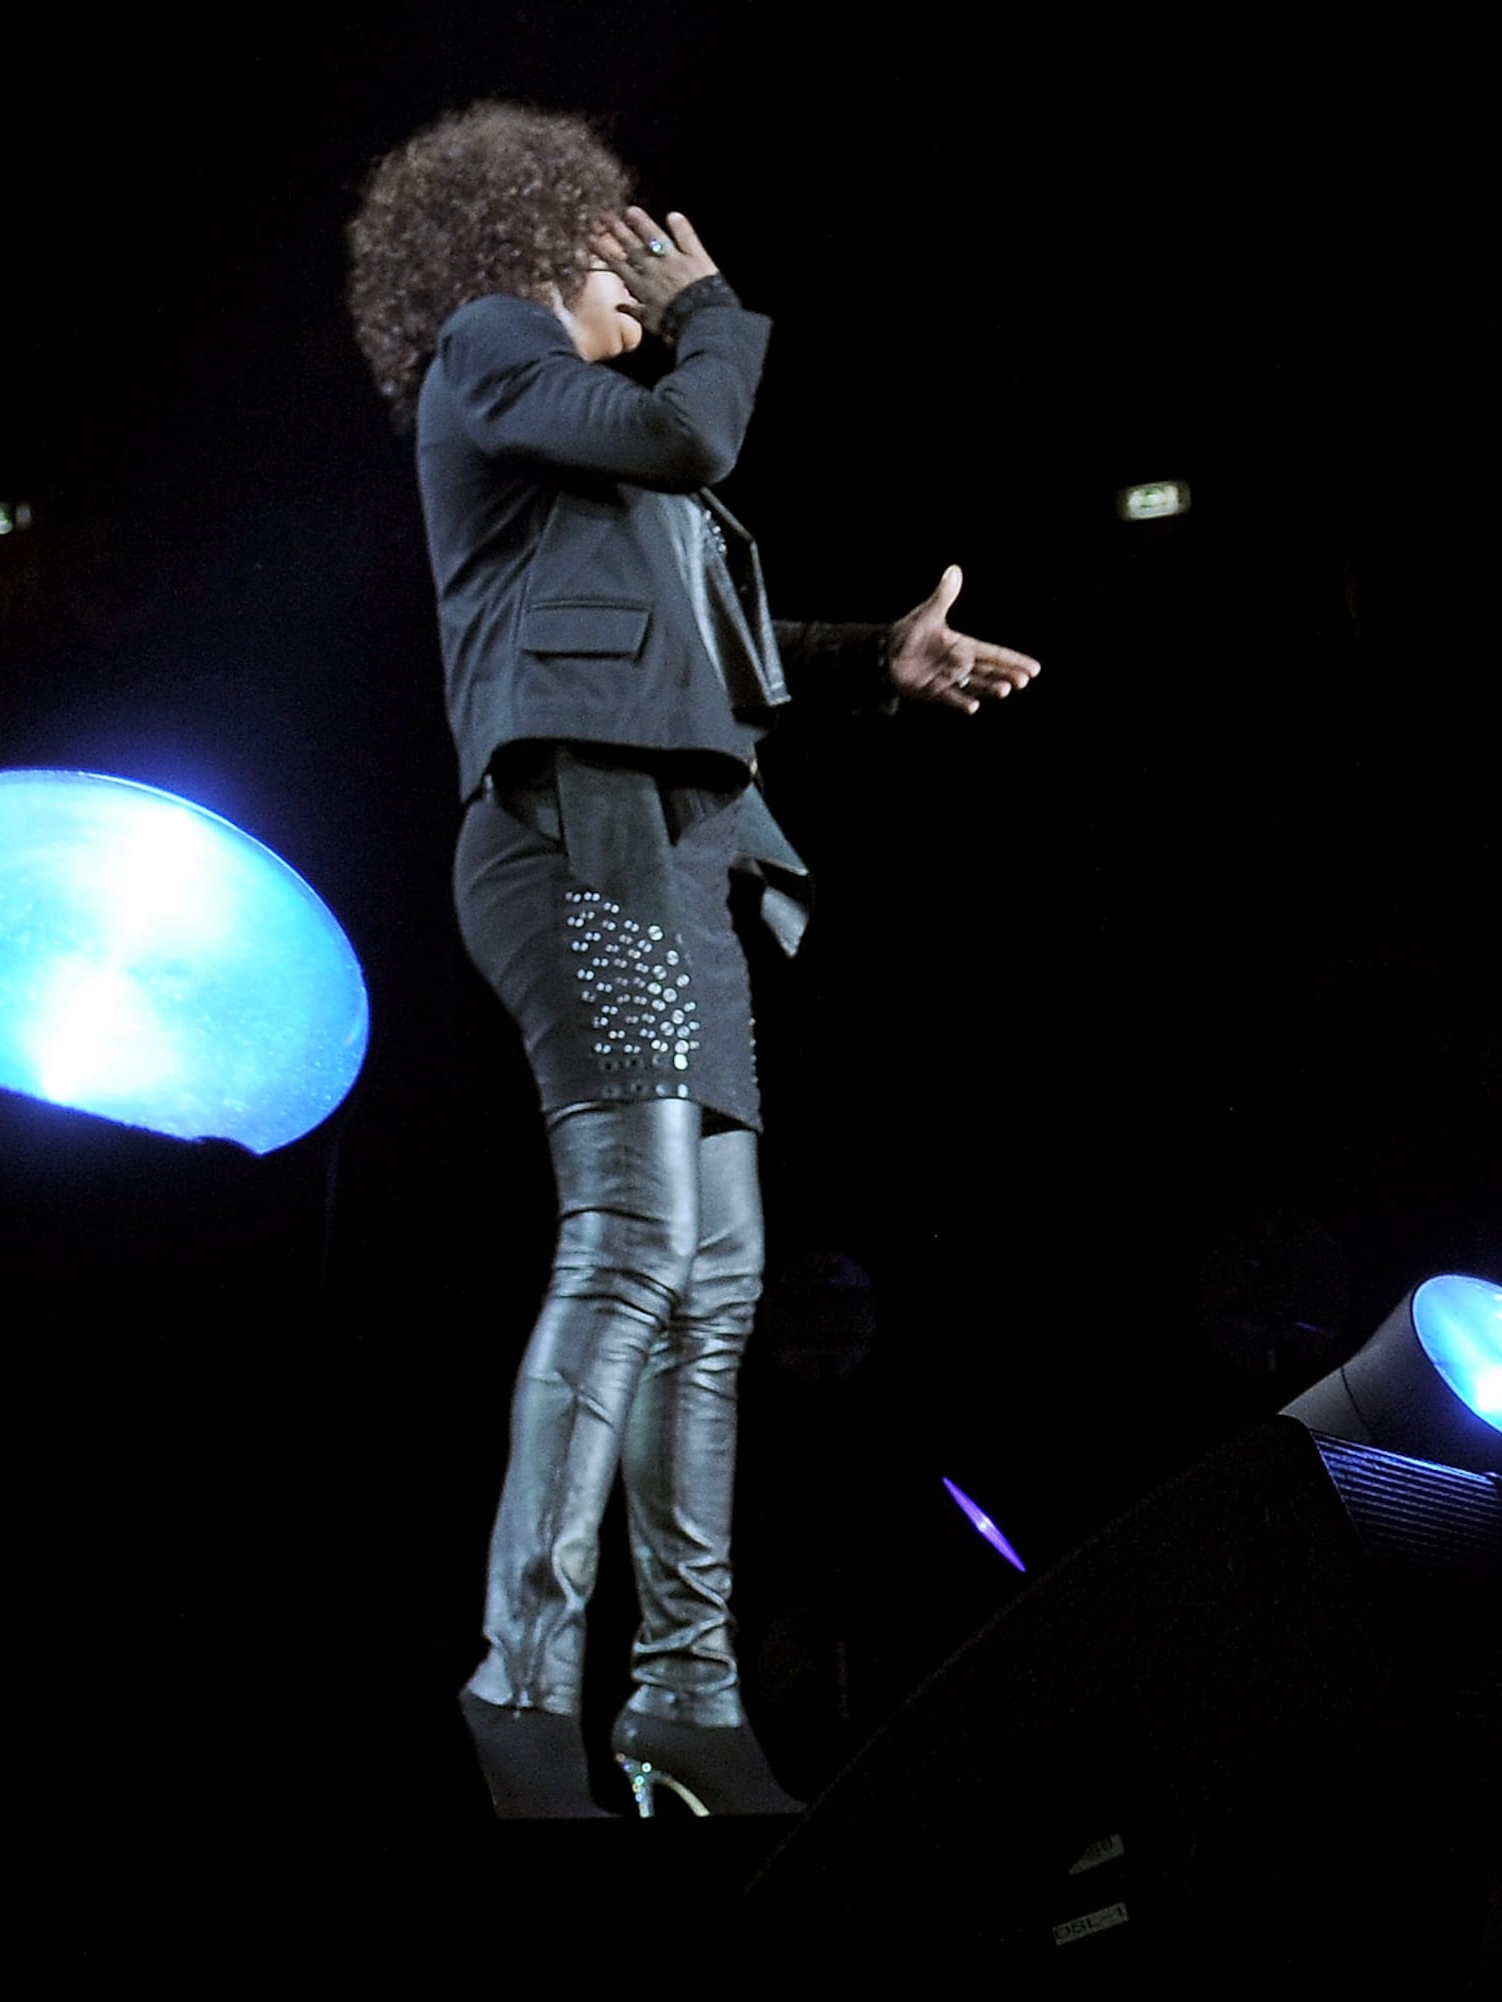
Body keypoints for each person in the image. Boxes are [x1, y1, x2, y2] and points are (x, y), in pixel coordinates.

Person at [344, 104, 1041, 1817]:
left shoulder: (603, 452)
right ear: (526, 254)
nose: (638, 273)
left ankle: (684, 1701)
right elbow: (690, 441)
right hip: (572, 834)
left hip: (683, 859)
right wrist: (720, 309)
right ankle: (519, 1681)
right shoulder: (492, 353)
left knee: (718, 1285)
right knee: (638, 1240)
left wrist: (885, 655)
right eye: (612, 250)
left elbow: (724, 651)